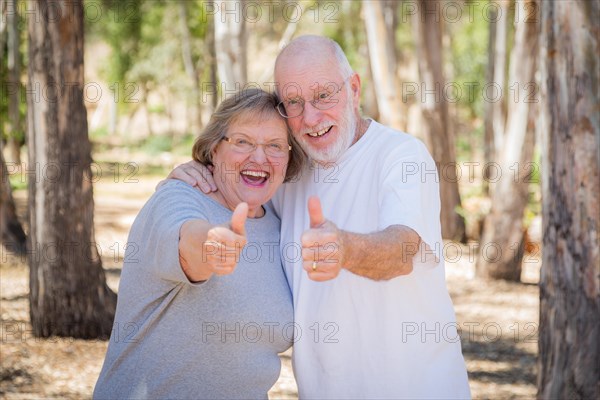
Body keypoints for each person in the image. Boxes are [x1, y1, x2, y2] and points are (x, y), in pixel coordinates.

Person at [166, 35, 471, 399]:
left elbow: (402, 250)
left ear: (354, 89)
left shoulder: (401, 155)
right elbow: (241, 187)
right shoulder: (290, 175)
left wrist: (344, 249)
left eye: (324, 95)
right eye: (293, 102)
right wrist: (198, 171)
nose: (310, 117)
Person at [93, 88, 305, 399]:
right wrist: (211, 245)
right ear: (214, 149)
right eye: (243, 141)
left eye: (274, 145)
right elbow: (187, 240)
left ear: (288, 158)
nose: (259, 157)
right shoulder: (178, 197)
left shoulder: (280, 225)